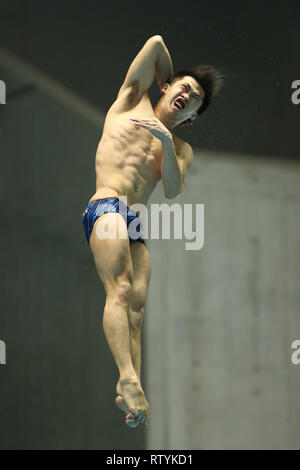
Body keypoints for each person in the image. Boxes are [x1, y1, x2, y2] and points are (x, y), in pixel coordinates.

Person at [82, 35, 223, 428]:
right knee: (121, 289)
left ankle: (131, 392)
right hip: (106, 202)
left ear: (193, 116)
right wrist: (167, 80)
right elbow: (157, 43)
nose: (188, 94)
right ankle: (126, 376)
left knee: (138, 310)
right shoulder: (131, 100)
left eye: (195, 99)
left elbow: (174, 191)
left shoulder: (181, 149)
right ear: (168, 84)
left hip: (135, 221)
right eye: (185, 86)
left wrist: (164, 136)